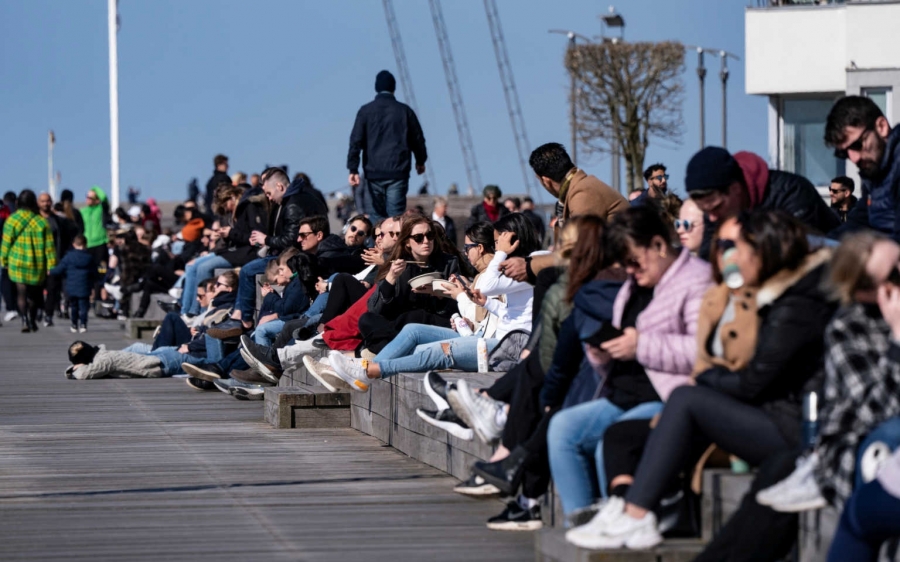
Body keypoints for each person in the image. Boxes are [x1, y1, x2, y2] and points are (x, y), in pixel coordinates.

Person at [566, 210, 835, 551]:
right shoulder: (744, 297)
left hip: (794, 425)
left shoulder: (793, 304)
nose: (727, 256)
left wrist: (705, 378)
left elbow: (752, 378)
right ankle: (623, 510)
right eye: (723, 245)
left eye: (735, 246)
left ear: (763, 251)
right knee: (614, 431)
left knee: (685, 401)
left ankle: (635, 515)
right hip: (773, 413)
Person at [546, 205, 712, 518]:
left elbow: (701, 351)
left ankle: (617, 527)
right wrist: (603, 356)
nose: (630, 271)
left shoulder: (697, 281)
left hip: (668, 397)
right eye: (625, 264)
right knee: (561, 428)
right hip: (624, 393)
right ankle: (580, 525)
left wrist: (641, 345)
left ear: (659, 246)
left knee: (612, 441)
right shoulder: (634, 285)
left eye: (634, 262)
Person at [328, 213, 542, 391]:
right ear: (408, 242)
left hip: (508, 347)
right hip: (490, 336)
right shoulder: (399, 264)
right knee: (410, 329)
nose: (496, 249)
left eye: (498, 242)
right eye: (419, 238)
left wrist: (500, 254)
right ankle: (365, 369)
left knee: (433, 349)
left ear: (514, 239)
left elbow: (489, 285)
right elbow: (512, 311)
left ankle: (367, 371)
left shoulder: (533, 262)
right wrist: (486, 303)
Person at [500, 143, 627, 283]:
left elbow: (578, 249)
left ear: (546, 181)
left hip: (617, 272)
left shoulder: (583, 193)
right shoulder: (580, 189)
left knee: (547, 279)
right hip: (610, 267)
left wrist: (528, 266)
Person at [686, 146, 841, 259]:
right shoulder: (715, 211)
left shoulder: (791, 193)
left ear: (735, 189)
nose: (712, 218)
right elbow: (709, 260)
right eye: (705, 211)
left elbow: (798, 255)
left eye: (716, 207)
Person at [347, 70, 427, 222]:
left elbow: (356, 141)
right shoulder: (404, 111)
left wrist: (353, 168)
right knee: (395, 218)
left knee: (375, 219)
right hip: (398, 172)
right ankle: (395, 245)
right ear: (393, 88)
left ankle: (376, 245)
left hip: (373, 173)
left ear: (376, 88)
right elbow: (417, 139)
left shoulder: (365, 111)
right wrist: (420, 161)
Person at [825, 96, 900, 241]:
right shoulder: (877, 172)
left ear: (882, 127)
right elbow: (859, 222)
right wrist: (823, 245)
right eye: (844, 153)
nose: (854, 158)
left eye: (857, 145)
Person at [0, 190, 57, 332]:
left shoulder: (12, 220)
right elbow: (49, 246)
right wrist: (51, 264)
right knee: (34, 294)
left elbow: (6, 242)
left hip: (17, 263)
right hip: (37, 264)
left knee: (21, 293)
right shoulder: (41, 222)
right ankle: (32, 320)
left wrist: (4, 260)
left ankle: (24, 318)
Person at [49, 235, 97, 333]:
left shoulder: (68, 257)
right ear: (85, 245)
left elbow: (60, 269)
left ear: (74, 245)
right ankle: (83, 324)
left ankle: (74, 324)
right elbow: (94, 272)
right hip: (84, 287)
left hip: (71, 287)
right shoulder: (89, 258)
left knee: (74, 306)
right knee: (84, 307)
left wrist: (51, 271)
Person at [80, 186, 110, 275]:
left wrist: (94, 189)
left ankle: (101, 285)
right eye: (87, 196)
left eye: (90, 197)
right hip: (87, 244)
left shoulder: (101, 209)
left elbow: (104, 197)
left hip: (100, 244)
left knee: (101, 270)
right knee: (89, 271)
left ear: (96, 199)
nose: (87, 199)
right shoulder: (82, 211)